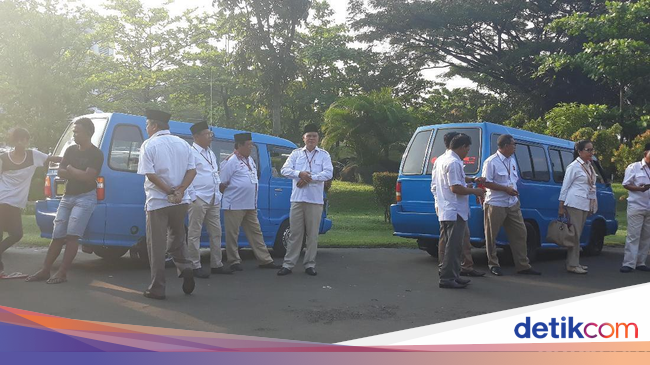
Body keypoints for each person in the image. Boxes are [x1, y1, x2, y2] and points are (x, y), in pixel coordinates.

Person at [26, 118, 103, 284]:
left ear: (88, 133)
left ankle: (62, 273)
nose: (74, 134)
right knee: (57, 235)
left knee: (72, 235)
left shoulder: (96, 154)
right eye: (73, 131)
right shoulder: (70, 150)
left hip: (85, 198)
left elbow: (88, 177)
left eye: (77, 131)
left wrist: (70, 169)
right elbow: (60, 172)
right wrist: (74, 172)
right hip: (67, 197)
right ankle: (45, 270)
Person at [137, 109, 197, 300]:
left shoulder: (149, 144)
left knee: (156, 244)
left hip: (158, 201)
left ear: (154, 125)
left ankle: (157, 287)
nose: (146, 128)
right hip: (181, 200)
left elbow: (150, 174)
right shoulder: (183, 144)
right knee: (178, 236)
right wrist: (180, 190)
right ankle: (186, 267)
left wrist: (168, 190)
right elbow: (192, 171)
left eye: (147, 124)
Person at [0, 128, 62, 276]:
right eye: (18, 139)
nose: (21, 142)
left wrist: (75, 157)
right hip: (3, 200)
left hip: (14, 203)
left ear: (28, 141)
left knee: (13, 234)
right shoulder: (3, 158)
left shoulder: (34, 155)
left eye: (24, 139)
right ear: (13, 141)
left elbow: (53, 159)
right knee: (17, 234)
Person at [277, 124, 333, 277]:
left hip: (315, 201)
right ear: (304, 138)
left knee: (312, 235)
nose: (311, 139)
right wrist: (299, 173)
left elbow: (328, 173)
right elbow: (284, 170)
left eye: (314, 136)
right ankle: (288, 264)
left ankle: (309, 264)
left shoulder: (324, 155)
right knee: (295, 233)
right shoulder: (296, 154)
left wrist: (309, 178)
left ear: (318, 138)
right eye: (309, 136)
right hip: (298, 199)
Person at [481, 134, 541, 276]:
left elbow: (513, 179)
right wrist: (505, 189)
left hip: (512, 203)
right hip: (496, 203)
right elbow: (485, 182)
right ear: (506, 146)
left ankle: (523, 265)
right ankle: (493, 264)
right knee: (491, 235)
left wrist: (512, 190)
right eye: (514, 144)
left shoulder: (512, 160)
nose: (515, 147)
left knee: (521, 233)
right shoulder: (491, 162)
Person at [220, 133, 280, 271]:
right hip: (235, 204)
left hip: (250, 204)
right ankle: (234, 261)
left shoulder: (250, 160)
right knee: (232, 233)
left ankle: (265, 260)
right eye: (248, 145)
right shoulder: (231, 161)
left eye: (251, 144)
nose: (251, 147)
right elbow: (222, 183)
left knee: (256, 232)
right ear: (239, 146)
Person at [430, 131, 485, 277]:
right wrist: (476, 192)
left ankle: (453, 274)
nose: (467, 152)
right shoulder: (453, 162)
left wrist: (472, 181)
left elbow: (457, 181)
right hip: (454, 210)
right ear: (461, 146)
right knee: (452, 247)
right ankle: (448, 277)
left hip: (449, 209)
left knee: (453, 245)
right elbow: (455, 188)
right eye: (467, 149)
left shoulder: (443, 160)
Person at [186, 121, 231, 278]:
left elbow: (214, 173)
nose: (210, 137)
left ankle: (216, 264)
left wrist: (218, 194)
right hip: (198, 198)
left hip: (213, 198)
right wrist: (192, 196)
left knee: (216, 232)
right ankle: (194, 265)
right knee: (194, 233)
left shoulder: (210, 153)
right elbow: (186, 176)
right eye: (207, 134)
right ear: (196, 136)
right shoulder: (190, 153)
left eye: (210, 134)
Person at [558, 140, 597, 275]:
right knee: (574, 235)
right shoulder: (573, 166)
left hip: (585, 203)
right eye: (588, 150)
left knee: (578, 234)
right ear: (580, 152)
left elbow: (591, 187)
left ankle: (574, 261)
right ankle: (572, 264)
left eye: (592, 150)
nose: (591, 153)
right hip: (575, 203)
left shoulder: (589, 166)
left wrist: (592, 205)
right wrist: (561, 206)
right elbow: (565, 186)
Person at [620, 143, 650, 273]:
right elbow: (626, 184)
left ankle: (641, 262)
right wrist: (640, 188)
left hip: (649, 208)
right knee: (633, 235)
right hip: (636, 205)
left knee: (646, 236)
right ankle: (629, 263)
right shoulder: (634, 167)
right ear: (645, 153)